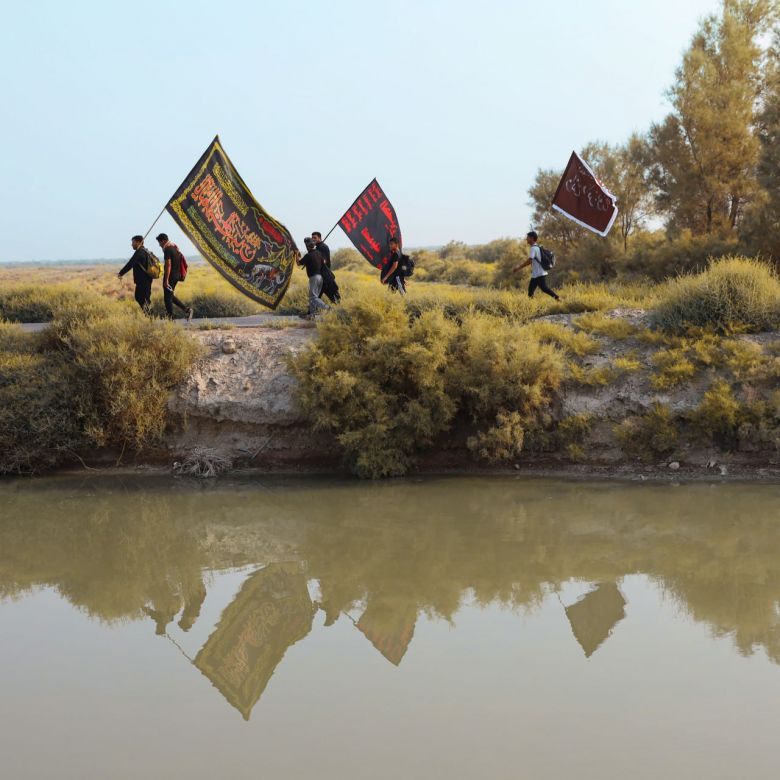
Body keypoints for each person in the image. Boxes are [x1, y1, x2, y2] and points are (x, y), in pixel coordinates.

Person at [513, 231, 561, 300]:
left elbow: (529, 261)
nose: (526, 239)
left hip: (539, 274)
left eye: (527, 237)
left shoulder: (533, 248)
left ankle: (558, 298)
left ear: (532, 238)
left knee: (543, 288)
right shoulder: (537, 247)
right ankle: (533, 306)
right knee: (531, 292)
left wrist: (518, 267)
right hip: (536, 274)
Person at [156, 233, 194, 321]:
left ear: (164, 241)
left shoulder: (167, 249)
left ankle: (171, 319)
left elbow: (168, 265)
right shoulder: (174, 248)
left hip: (171, 276)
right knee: (170, 296)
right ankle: (187, 310)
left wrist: (166, 280)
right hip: (176, 275)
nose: (159, 245)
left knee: (167, 298)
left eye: (160, 242)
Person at [118, 235, 154, 314]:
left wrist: (121, 273)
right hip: (145, 280)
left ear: (138, 242)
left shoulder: (140, 252)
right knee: (140, 297)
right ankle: (149, 315)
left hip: (143, 280)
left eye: (133, 242)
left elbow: (131, 263)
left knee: (144, 298)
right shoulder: (145, 250)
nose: (132, 244)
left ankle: (151, 317)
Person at [298, 237, 330, 318]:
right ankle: (312, 315)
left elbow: (298, 263)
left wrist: (296, 255)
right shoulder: (318, 253)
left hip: (314, 278)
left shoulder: (308, 255)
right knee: (313, 297)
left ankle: (327, 308)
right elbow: (324, 262)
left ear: (307, 246)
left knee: (313, 297)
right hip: (320, 278)